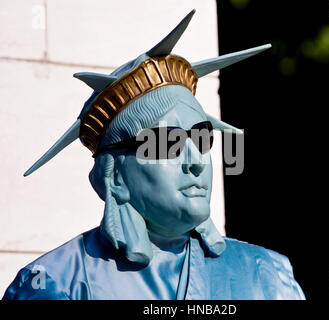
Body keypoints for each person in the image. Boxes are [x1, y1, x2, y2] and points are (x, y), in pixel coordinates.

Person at [2, 10, 305, 300]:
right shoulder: (56, 284)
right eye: (167, 143)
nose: (196, 161)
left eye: (202, 138)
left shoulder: (269, 278)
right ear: (115, 176)